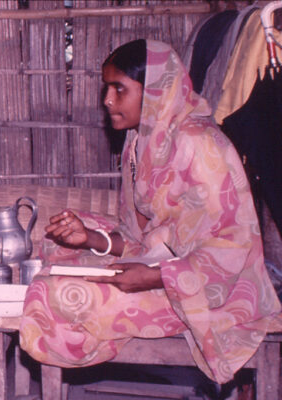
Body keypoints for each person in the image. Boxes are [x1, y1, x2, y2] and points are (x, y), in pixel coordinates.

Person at [19, 39, 282, 384]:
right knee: (58, 252)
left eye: (119, 89)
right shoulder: (140, 141)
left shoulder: (199, 144)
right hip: (164, 268)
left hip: (212, 292)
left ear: (156, 91)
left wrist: (155, 277)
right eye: (106, 88)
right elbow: (140, 239)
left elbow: (231, 246)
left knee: (55, 294)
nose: (107, 100)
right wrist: (90, 239)